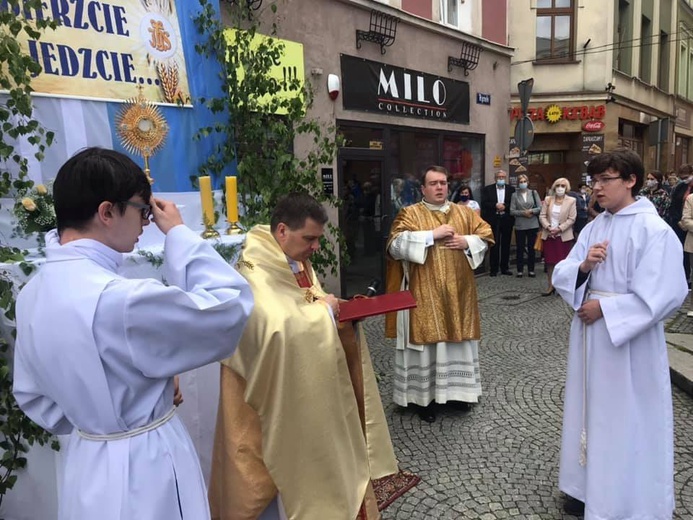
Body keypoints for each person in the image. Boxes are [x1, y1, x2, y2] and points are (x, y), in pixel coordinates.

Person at [12, 147, 254, 520]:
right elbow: (230, 306)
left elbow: (34, 396)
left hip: (87, 461)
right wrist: (177, 233)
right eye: (142, 210)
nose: (146, 222)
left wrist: (99, 411)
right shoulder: (120, 299)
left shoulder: (31, 293)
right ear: (107, 212)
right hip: (145, 464)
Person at [209, 192, 397, 520]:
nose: (315, 248)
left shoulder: (294, 259)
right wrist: (325, 314)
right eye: (309, 239)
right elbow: (273, 328)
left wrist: (342, 316)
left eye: (318, 240)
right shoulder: (254, 269)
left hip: (303, 388)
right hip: (264, 399)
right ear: (282, 230)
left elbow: (309, 301)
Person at [553, 148, 687, 518]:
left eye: (605, 180)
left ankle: (625, 497)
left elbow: (666, 292)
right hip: (589, 336)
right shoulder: (595, 226)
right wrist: (583, 267)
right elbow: (564, 270)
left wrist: (607, 309)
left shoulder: (654, 230)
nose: (596, 188)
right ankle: (583, 488)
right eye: (594, 180)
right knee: (587, 409)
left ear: (630, 181)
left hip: (629, 343)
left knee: (625, 415)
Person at [385, 165, 494, 423]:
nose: (439, 187)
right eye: (433, 183)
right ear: (423, 188)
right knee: (426, 347)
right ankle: (424, 400)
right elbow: (394, 246)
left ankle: (457, 394)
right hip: (423, 295)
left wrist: (467, 242)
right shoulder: (409, 214)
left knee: (457, 342)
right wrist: (430, 236)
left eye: (443, 183)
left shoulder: (464, 213)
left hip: (459, 294)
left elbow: (486, 235)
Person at [538, 178, 576, 296]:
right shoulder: (548, 200)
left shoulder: (571, 200)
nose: (560, 188)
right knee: (550, 262)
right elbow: (542, 215)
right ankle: (551, 285)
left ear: (566, 188)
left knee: (562, 262)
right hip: (549, 235)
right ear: (554, 187)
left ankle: (562, 286)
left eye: (563, 186)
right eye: (558, 185)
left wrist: (559, 229)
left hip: (563, 236)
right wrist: (549, 227)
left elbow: (572, 218)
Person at [481, 169, 515, 276]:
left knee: (506, 244)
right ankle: (493, 269)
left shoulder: (511, 189)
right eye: (499, 177)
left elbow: (513, 203)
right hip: (493, 219)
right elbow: (484, 203)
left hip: (506, 220)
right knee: (494, 244)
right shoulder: (487, 189)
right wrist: (495, 205)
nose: (501, 179)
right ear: (495, 178)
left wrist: (505, 206)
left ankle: (504, 268)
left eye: (503, 177)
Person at [509, 174, 541, 277]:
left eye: (524, 181)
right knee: (520, 248)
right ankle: (520, 270)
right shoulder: (514, 195)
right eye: (521, 182)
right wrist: (523, 213)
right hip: (520, 224)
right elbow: (512, 211)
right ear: (518, 183)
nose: (523, 183)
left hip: (532, 224)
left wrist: (531, 211)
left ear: (527, 182)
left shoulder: (533, 193)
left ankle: (531, 269)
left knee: (531, 248)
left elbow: (540, 207)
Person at [667, 164, 693, 286]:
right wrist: (678, 220)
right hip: (679, 223)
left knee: (689, 253)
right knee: (680, 251)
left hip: (690, 226)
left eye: (686, 177)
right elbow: (673, 205)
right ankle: (683, 275)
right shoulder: (680, 187)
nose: (684, 179)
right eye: (681, 177)